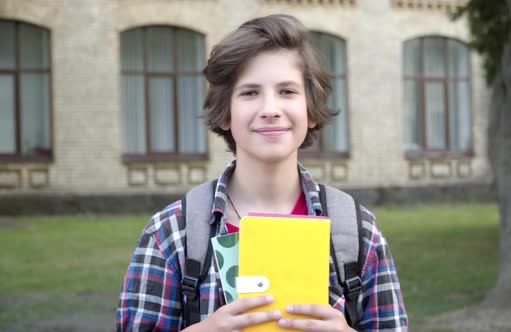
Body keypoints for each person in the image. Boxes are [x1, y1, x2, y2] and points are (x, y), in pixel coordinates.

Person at [116, 14, 408, 332]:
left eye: (287, 91)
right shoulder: (172, 233)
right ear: (225, 113)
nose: (270, 109)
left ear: (311, 110)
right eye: (250, 93)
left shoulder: (357, 231)